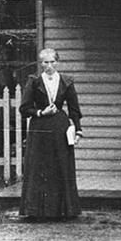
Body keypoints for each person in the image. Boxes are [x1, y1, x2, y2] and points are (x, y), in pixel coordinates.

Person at [19, 47, 84, 220]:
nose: (49, 66)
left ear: (58, 62)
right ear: (40, 64)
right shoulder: (34, 81)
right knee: (39, 167)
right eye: (45, 62)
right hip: (39, 128)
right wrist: (41, 112)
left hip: (60, 128)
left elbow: (74, 109)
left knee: (61, 165)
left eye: (52, 62)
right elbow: (24, 109)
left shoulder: (66, 82)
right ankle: (37, 211)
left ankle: (63, 211)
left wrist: (78, 130)